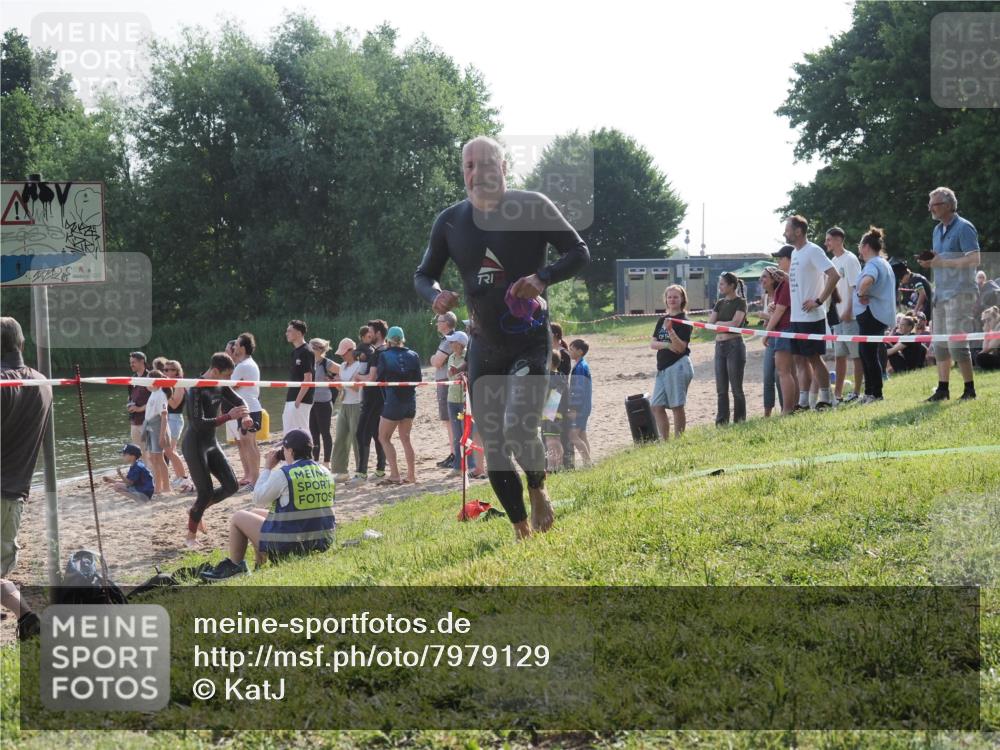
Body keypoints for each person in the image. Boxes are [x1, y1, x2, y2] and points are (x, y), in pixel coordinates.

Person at [414, 135, 589, 540]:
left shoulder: (532, 206)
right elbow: (424, 274)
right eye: (469, 166)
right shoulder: (451, 221)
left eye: (486, 164)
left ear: (504, 167)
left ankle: (539, 488)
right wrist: (435, 294)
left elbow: (578, 252)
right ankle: (520, 528)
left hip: (530, 341)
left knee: (520, 427)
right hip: (484, 346)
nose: (477, 173)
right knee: (492, 442)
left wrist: (542, 277)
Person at [201, 430, 335, 581]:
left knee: (239, 517)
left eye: (284, 450)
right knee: (254, 513)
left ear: (290, 451)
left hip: (292, 545)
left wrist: (267, 469)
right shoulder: (325, 471)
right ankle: (260, 565)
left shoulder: (285, 474)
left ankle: (235, 566)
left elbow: (258, 498)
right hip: (322, 540)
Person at [1, 316, 52, 640]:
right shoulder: (43, 383)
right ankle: (28, 617)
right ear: (22, 344)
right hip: (14, 495)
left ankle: (28, 616)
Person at [182, 352, 252, 548]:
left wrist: (245, 416)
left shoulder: (221, 384)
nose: (229, 380)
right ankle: (190, 537)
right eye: (226, 376)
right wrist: (228, 417)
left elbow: (240, 401)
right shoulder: (196, 388)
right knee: (205, 493)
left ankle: (196, 510)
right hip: (195, 444)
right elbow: (197, 423)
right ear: (214, 371)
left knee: (232, 485)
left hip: (211, 443)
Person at [918, 187, 981, 401]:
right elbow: (941, 259)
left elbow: (974, 259)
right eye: (930, 205)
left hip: (960, 293)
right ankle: (942, 389)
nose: (930, 209)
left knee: (957, 344)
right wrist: (931, 261)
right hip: (941, 292)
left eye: (934, 205)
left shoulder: (964, 228)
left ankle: (969, 389)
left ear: (948, 205)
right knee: (940, 344)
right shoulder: (937, 230)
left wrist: (943, 262)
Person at [784, 215, 839, 410]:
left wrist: (819, 301)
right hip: (796, 317)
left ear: (798, 231)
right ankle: (804, 402)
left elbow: (834, 275)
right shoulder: (796, 253)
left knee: (814, 357)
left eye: (787, 229)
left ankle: (826, 398)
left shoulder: (813, 250)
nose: (785, 233)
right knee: (799, 359)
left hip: (811, 316)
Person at [854, 227, 896, 404]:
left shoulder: (872, 265)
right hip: (878, 316)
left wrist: (861, 293)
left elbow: (868, 280)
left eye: (860, 247)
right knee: (867, 354)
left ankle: (875, 394)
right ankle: (870, 392)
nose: (859, 251)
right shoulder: (883, 263)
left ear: (865, 247)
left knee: (868, 355)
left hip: (871, 315)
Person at [376, 327, 422, 485]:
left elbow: (379, 379)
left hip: (394, 400)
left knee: (384, 437)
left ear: (388, 340)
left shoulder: (384, 355)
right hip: (410, 400)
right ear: (402, 339)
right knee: (405, 439)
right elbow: (418, 380)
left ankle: (395, 474)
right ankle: (411, 475)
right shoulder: (414, 355)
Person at [650, 285, 694, 439]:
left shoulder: (684, 321)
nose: (672, 300)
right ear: (666, 300)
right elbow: (653, 344)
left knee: (676, 405)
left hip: (678, 365)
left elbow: (681, 348)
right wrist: (667, 345)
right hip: (663, 368)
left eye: (676, 297)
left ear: (682, 299)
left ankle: (678, 440)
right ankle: (665, 440)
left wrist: (671, 331)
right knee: (656, 405)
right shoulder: (662, 319)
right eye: (669, 297)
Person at [826, 227, 864, 403]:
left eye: (829, 239)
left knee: (856, 355)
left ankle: (856, 392)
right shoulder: (833, 260)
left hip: (851, 316)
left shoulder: (850, 259)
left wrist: (849, 310)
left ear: (839, 239)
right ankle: (838, 394)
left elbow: (855, 287)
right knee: (839, 355)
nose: (826, 243)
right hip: (838, 316)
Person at [710, 272, 748, 424]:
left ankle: (739, 420)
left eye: (722, 284)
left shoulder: (741, 302)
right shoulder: (719, 303)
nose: (720, 286)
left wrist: (720, 324)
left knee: (736, 388)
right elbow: (711, 324)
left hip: (734, 346)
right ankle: (721, 421)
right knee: (721, 389)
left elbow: (736, 324)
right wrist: (721, 325)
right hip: (719, 346)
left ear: (732, 286)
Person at [354, 319, 388, 480]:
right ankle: (380, 469)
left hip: (372, 399)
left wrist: (358, 377)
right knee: (376, 434)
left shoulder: (377, 353)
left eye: (371, 332)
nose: (368, 334)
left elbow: (371, 378)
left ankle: (361, 473)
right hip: (383, 399)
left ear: (378, 334)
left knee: (362, 434)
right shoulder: (387, 350)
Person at [445, 330, 481, 477]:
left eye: (452, 342)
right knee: (456, 435)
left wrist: (463, 375)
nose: (450, 344)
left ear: (460, 344)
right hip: (452, 398)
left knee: (467, 434)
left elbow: (471, 374)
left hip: (465, 400)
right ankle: (458, 467)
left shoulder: (469, 356)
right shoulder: (451, 357)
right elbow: (450, 375)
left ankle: (471, 466)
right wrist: (453, 373)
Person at [231, 333, 262, 488]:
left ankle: (256, 481)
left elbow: (229, 386)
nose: (234, 347)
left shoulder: (244, 366)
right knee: (248, 443)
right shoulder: (246, 364)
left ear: (242, 347)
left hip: (249, 408)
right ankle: (254, 480)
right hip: (247, 407)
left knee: (250, 444)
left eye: (236, 344)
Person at [331, 338, 363, 481]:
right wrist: (337, 384)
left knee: (357, 438)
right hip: (344, 404)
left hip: (357, 404)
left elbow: (357, 387)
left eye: (344, 353)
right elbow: (343, 386)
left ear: (352, 351)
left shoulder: (360, 366)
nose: (342, 356)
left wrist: (342, 383)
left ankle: (360, 470)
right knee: (340, 437)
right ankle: (340, 470)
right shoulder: (343, 366)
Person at [431, 312, 459, 469]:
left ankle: (455, 454)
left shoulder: (449, 340)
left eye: (439, 321)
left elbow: (437, 362)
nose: (436, 323)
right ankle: (454, 453)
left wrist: (433, 359)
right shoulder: (449, 340)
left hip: (445, 382)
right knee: (449, 421)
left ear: (446, 323)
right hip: (446, 381)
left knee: (449, 420)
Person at [308, 338, 339, 466]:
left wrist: (332, 379)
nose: (308, 350)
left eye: (310, 348)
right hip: (310, 403)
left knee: (325, 433)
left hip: (324, 402)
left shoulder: (326, 363)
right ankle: (315, 461)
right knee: (313, 434)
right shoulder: (309, 362)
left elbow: (343, 372)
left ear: (317, 349)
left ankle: (326, 462)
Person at [140, 370, 171, 494]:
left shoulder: (161, 394)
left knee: (159, 458)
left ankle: (166, 487)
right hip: (150, 426)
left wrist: (162, 434)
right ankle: (158, 487)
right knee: (153, 458)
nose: (146, 383)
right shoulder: (153, 393)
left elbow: (164, 416)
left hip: (157, 427)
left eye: (148, 380)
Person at [162, 359, 191, 489]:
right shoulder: (168, 383)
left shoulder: (179, 383)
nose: (167, 372)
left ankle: (183, 477)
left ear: (177, 371)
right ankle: (180, 476)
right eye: (165, 370)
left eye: (171, 369)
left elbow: (175, 404)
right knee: (169, 450)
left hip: (174, 418)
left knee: (170, 450)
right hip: (167, 418)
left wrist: (164, 392)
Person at [550, 322, 575, 470]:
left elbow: (563, 377)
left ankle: (566, 463)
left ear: (554, 334)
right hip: (551, 396)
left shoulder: (563, 353)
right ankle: (552, 462)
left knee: (561, 431)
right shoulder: (548, 351)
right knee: (550, 432)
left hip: (558, 396)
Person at [283, 320, 314, 433]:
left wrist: (297, 401)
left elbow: (308, 379)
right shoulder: (295, 352)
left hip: (301, 400)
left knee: (301, 432)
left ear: (299, 333)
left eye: (290, 331)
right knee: (289, 430)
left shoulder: (306, 351)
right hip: (292, 397)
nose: (287, 333)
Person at [567, 338, 593, 467]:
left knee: (573, 435)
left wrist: (574, 408)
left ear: (580, 351)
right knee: (582, 435)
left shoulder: (580, 367)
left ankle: (588, 463)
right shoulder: (580, 365)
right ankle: (588, 462)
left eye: (571, 349)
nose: (569, 351)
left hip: (581, 408)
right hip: (585, 407)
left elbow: (579, 390)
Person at [541, 351, 568, 471]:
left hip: (550, 413)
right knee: (556, 440)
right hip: (558, 413)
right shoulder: (561, 377)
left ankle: (552, 466)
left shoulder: (549, 378)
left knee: (550, 441)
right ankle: (559, 464)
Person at [126, 351, 150, 444]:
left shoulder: (150, 377)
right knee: (138, 452)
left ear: (142, 361)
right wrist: (129, 404)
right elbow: (130, 396)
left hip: (148, 421)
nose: (131, 365)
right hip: (134, 421)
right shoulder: (132, 378)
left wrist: (139, 408)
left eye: (133, 362)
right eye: (130, 362)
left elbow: (156, 401)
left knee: (151, 453)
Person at [975, 306, 1000, 370]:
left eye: (989, 320)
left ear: (997, 318)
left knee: (980, 357)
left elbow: (988, 348)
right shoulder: (993, 330)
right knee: (976, 353)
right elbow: (985, 349)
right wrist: (987, 333)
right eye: (984, 321)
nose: (986, 323)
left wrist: (987, 333)